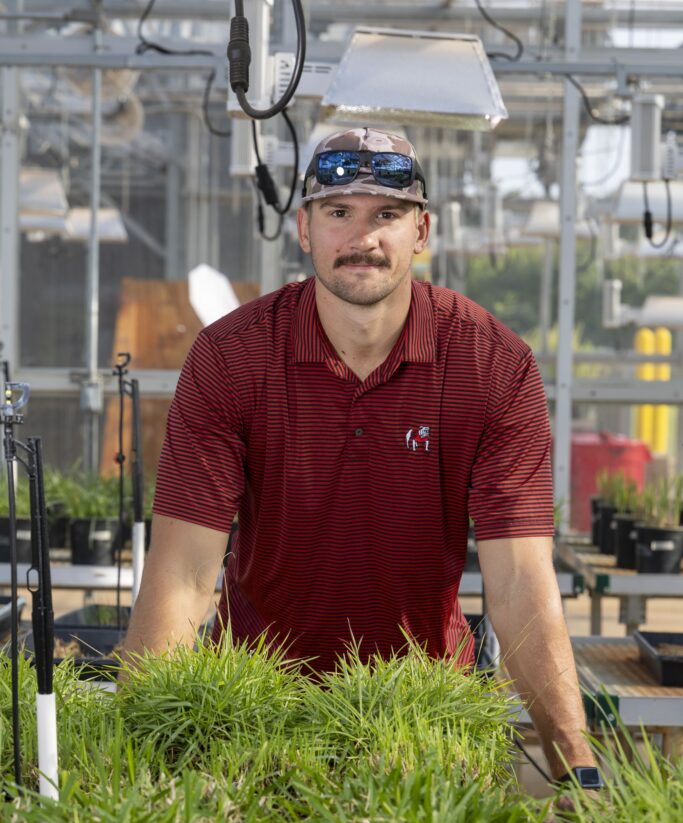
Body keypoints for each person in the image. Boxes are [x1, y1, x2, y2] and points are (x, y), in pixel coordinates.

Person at [121, 126, 600, 788]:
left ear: (421, 231)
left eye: (387, 215)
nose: (362, 237)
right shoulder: (232, 357)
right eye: (338, 212)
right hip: (256, 707)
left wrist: (574, 760)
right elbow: (182, 570)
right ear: (304, 228)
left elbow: (518, 580)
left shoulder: (491, 364)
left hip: (424, 713)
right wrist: (137, 752)